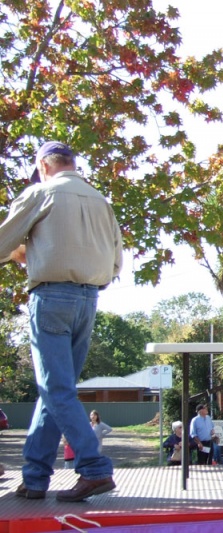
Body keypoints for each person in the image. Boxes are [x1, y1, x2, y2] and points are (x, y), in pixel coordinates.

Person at [3, 141, 121, 502]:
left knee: (56, 390)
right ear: (73, 163)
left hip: (51, 297)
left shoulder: (40, 193)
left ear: (43, 164)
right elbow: (116, 262)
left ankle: (94, 467)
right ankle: (35, 478)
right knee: (54, 391)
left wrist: (24, 255)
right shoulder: (101, 201)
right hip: (89, 299)